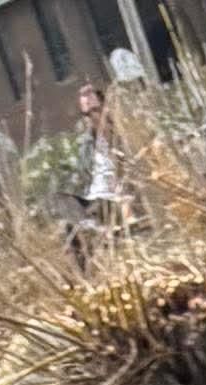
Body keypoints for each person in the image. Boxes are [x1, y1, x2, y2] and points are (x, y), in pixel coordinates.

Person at [71, 84, 131, 256]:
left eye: (96, 110)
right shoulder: (86, 144)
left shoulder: (125, 133)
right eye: (87, 114)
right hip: (107, 203)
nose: (92, 117)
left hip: (133, 195)